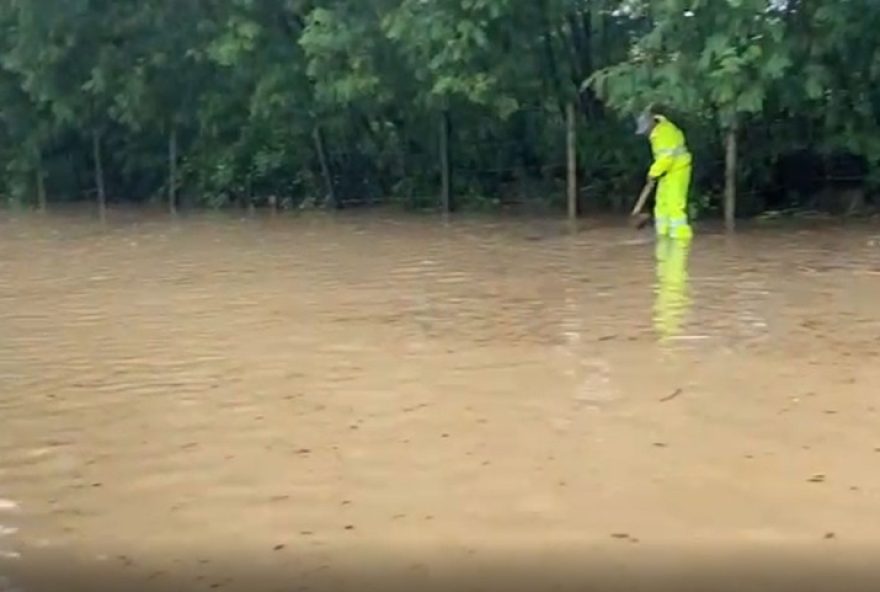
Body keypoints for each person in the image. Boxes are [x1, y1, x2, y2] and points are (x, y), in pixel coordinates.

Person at [636, 106, 694, 240]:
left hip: (678, 171)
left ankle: (681, 240)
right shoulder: (656, 133)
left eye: (645, 130)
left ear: (651, 123)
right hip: (665, 173)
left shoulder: (666, 132)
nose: (645, 133)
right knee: (661, 205)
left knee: (674, 205)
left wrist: (653, 173)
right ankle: (663, 236)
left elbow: (667, 157)